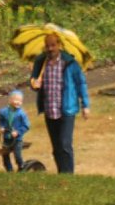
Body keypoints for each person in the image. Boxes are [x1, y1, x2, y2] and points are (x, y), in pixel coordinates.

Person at [30, 33, 90, 173]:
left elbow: (81, 83)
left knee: (65, 144)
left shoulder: (70, 63)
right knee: (56, 147)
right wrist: (34, 83)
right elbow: (33, 81)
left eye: (53, 45)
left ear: (59, 45)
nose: (50, 49)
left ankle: (68, 176)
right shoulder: (41, 62)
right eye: (47, 46)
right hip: (50, 109)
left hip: (66, 110)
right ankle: (61, 174)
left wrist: (85, 105)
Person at [0, 90, 31, 172]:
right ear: (10, 100)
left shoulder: (21, 114)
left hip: (17, 140)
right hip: (6, 138)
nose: (18, 102)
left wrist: (18, 132)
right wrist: (1, 127)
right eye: (16, 100)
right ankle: (9, 170)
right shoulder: (3, 112)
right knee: (5, 154)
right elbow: (1, 120)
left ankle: (21, 167)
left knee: (17, 155)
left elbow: (27, 125)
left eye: (20, 101)